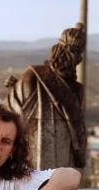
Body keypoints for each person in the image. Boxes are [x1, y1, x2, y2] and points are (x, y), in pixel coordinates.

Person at [6, 23, 87, 169]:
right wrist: (17, 88)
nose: (76, 57)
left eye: (77, 53)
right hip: (31, 159)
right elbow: (12, 116)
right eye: (72, 52)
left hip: (62, 164)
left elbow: (78, 132)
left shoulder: (77, 90)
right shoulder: (32, 77)